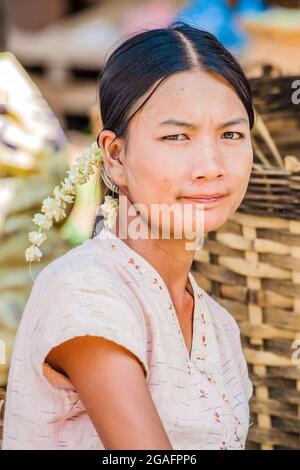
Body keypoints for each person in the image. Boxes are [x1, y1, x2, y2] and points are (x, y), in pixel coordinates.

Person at [2, 21, 254, 450]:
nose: (211, 164)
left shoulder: (220, 326)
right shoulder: (85, 293)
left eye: (231, 134)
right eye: (177, 136)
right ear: (115, 156)